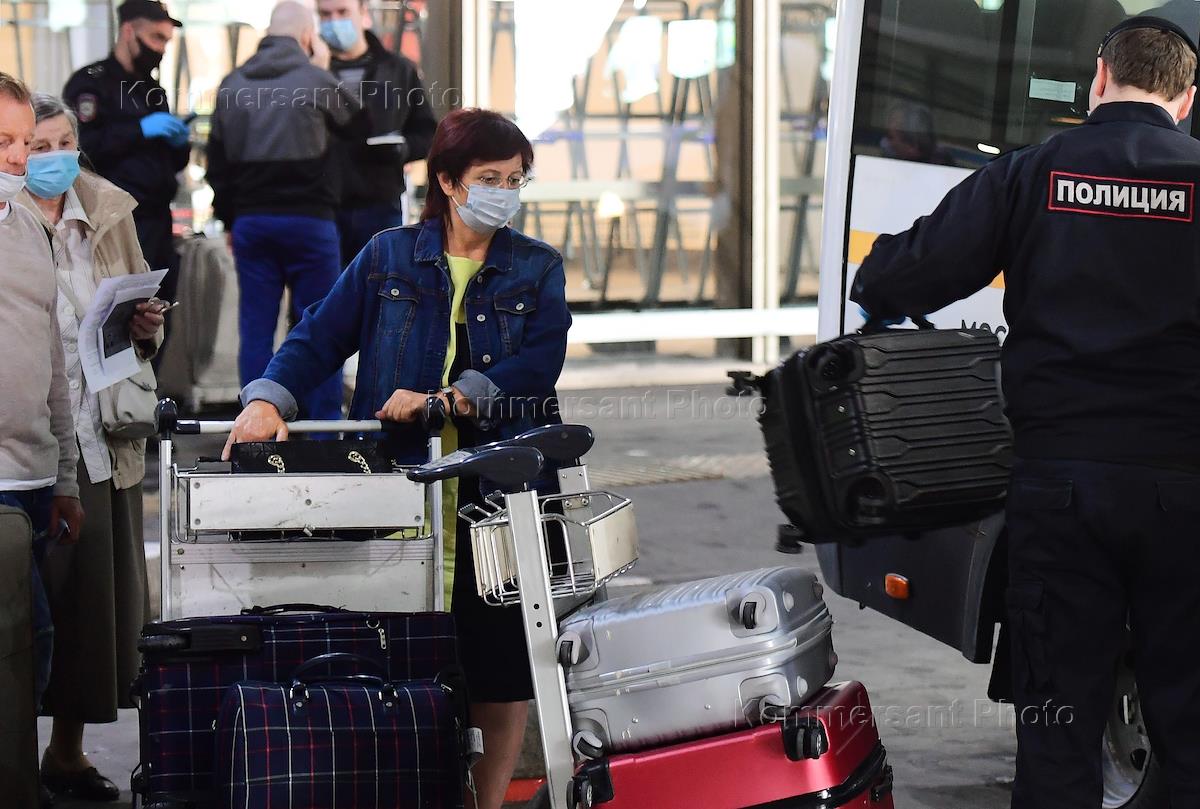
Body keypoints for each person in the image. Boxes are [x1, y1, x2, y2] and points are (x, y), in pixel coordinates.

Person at [849, 17, 1200, 809]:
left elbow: (908, 272)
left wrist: (876, 287)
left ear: (1099, 79)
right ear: (1186, 99)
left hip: (1061, 490)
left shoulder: (1034, 172)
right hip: (1185, 491)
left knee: (1058, 725)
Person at [220, 108, 571, 809]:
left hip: (501, 493)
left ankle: (483, 803)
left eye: (515, 180)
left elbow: (539, 363)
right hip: (399, 489)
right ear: (447, 181)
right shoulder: (387, 256)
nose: (504, 193)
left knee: (501, 664)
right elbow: (319, 336)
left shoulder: (537, 267)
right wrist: (267, 398)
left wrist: (450, 399)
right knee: (394, 654)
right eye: (489, 178)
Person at [16, 93, 162, 804]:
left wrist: (144, 324)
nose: (52, 158)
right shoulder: (10, 217)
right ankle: (13, 758)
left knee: (91, 604)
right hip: (23, 437)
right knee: (22, 608)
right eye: (36, 145)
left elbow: (140, 321)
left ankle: (67, 753)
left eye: (62, 142)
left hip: (98, 433)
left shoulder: (106, 210)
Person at [206, 0, 364, 421]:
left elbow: (216, 163)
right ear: (308, 36)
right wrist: (324, 68)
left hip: (252, 222)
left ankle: (255, 424)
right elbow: (361, 128)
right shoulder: (316, 80)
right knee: (321, 326)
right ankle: (321, 427)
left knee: (256, 328)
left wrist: (230, 218)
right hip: (310, 222)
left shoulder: (231, 84)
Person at [0, 72, 85, 808]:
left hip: (31, 472)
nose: (20, 157)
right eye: (3, 141)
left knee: (34, 646)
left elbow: (54, 360)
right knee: (14, 647)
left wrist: (63, 477)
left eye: (25, 141)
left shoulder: (29, 226)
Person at [62, 0, 189, 350]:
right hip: (115, 221)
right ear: (129, 30)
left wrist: (181, 144)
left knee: (157, 319)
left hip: (158, 220)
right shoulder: (92, 84)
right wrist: (139, 130)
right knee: (120, 319)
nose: (161, 49)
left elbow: (168, 163)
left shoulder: (153, 90)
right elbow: (82, 148)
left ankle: (150, 383)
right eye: (156, 38)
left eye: (166, 41)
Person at [316, 0, 438, 265]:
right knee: (327, 288)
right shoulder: (312, 73)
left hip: (379, 203)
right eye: (325, 14)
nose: (334, 21)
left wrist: (402, 149)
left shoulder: (397, 70)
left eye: (342, 12)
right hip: (322, 206)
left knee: (380, 283)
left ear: (363, 13)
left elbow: (427, 132)